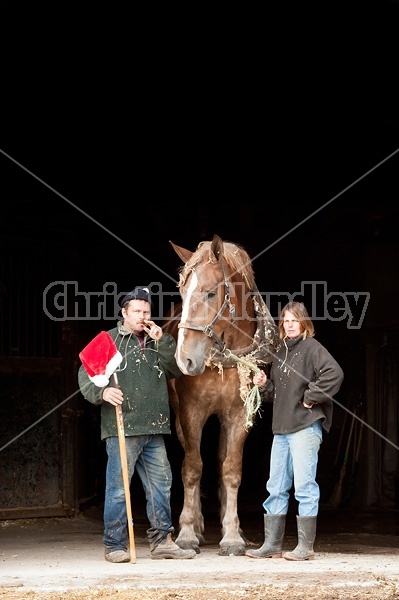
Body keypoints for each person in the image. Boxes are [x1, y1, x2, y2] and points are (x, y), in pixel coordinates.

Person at [78, 286, 196, 562]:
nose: (143, 316)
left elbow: (175, 370)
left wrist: (163, 341)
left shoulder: (157, 339)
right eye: (137, 312)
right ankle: (115, 545)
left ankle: (162, 541)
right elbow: (85, 373)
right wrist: (102, 392)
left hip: (154, 427)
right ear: (124, 313)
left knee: (161, 485)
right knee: (119, 487)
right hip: (123, 426)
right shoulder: (109, 339)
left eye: (146, 312)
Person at [245, 301, 344, 561]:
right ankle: (272, 545)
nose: (289, 324)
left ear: (304, 323)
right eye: (285, 320)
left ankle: (305, 548)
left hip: (305, 427)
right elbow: (277, 394)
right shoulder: (280, 351)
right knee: (275, 486)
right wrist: (265, 385)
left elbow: (335, 374)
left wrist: (311, 397)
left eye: (294, 320)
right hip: (282, 429)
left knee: (304, 486)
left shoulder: (312, 348)